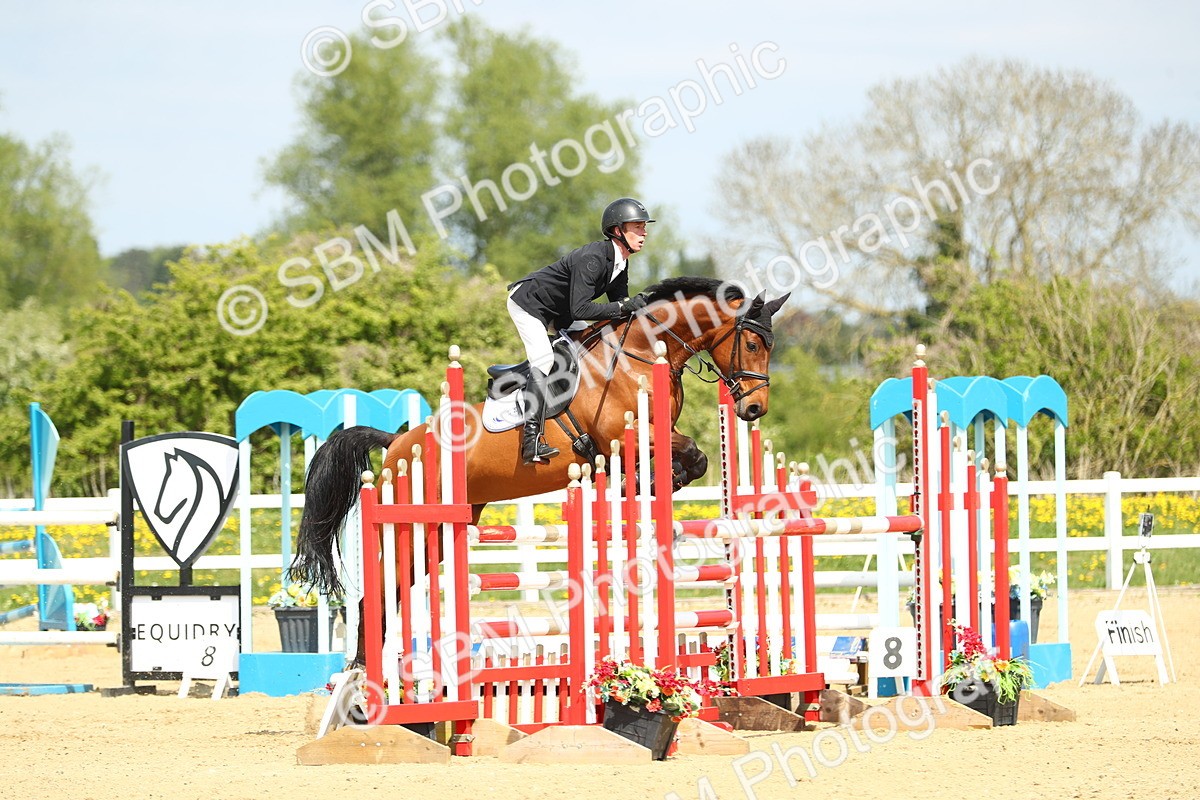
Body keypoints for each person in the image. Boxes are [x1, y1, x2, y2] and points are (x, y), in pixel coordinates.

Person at [506, 197, 655, 464]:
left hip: (561, 310)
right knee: (544, 359)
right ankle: (532, 441)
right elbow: (582, 310)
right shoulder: (593, 259)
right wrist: (623, 306)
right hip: (530, 304)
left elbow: (619, 309)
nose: (644, 233)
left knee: (591, 345)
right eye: (637, 227)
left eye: (644, 227)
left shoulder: (620, 262)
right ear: (618, 230)